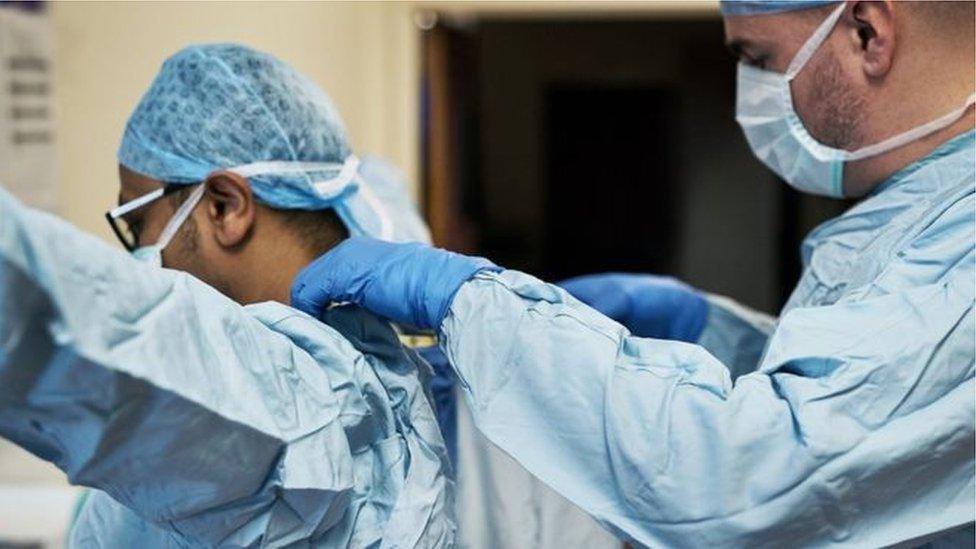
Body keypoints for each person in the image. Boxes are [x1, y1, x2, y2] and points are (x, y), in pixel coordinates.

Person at [290, 1, 976, 547]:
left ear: (866, 31)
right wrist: (719, 335)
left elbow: (757, 483)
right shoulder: (923, 215)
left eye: (757, 58)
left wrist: (476, 304)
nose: (752, 94)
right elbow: (875, 398)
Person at [1, 44, 455, 547]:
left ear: (224, 206)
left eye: (137, 223)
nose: (141, 253)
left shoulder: (293, 399)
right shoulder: (371, 362)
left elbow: (61, 315)